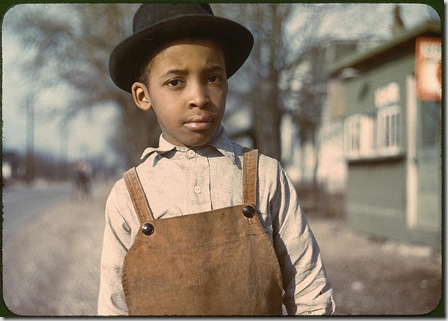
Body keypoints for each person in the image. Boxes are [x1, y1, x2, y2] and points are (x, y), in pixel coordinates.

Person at [98, 3, 335, 316]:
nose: (199, 96)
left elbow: (310, 292)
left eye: (213, 77)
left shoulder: (265, 175)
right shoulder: (128, 195)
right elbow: (113, 306)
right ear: (143, 95)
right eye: (175, 82)